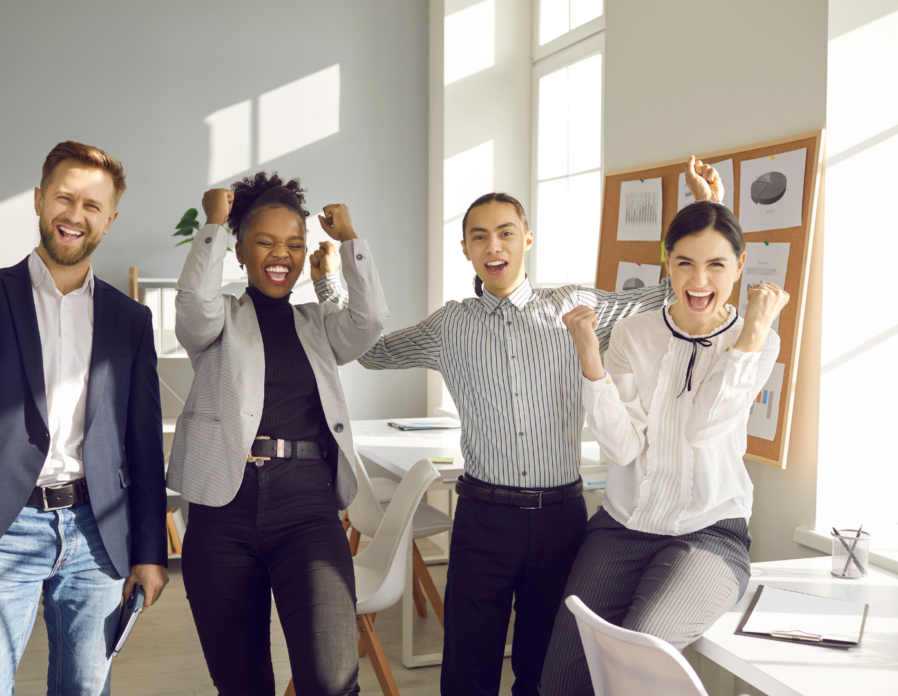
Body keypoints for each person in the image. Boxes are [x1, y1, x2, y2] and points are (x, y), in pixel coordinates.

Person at [309, 157, 723, 695]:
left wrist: (705, 207)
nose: (494, 247)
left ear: (528, 238)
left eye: (506, 233)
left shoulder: (575, 305)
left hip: (561, 519)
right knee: (467, 670)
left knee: (542, 666)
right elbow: (366, 351)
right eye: (479, 237)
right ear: (466, 250)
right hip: (483, 517)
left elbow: (667, 298)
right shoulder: (449, 325)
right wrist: (332, 281)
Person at [0, 141, 169, 696]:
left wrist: (149, 554)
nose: (75, 215)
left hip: (98, 533)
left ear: (110, 219)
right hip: (1, 528)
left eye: (92, 206)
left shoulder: (130, 319)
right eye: (64, 198)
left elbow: (141, 445)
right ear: (38, 200)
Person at [539, 200, 788, 695]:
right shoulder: (634, 332)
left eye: (717, 264)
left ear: (740, 266)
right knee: (564, 677)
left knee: (640, 665)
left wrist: (754, 332)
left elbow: (704, 428)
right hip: (622, 527)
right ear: (667, 262)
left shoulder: (756, 339)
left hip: (710, 533)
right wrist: (592, 359)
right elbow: (622, 445)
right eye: (685, 263)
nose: (699, 280)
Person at [166, 172, 388, 695]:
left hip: (307, 506)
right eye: (264, 242)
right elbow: (192, 310)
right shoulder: (219, 319)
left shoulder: (319, 324)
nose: (280, 255)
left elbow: (371, 318)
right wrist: (213, 224)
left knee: (332, 682)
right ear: (239, 252)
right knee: (242, 685)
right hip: (224, 508)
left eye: (293, 243)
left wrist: (352, 238)